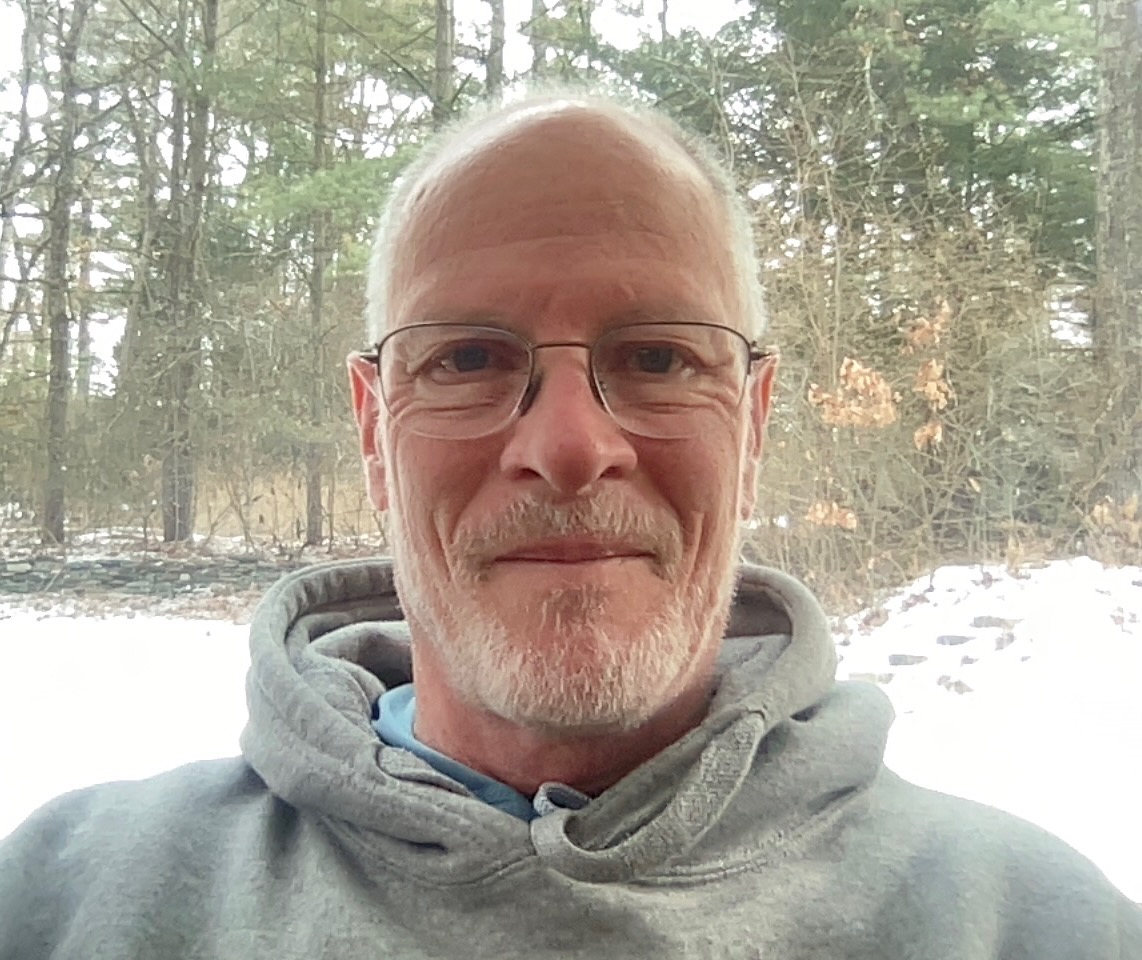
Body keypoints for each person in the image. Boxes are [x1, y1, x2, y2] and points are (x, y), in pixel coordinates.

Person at [1, 91, 1139, 960]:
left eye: (654, 357)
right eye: (467, 358)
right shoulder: (67, 900)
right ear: (370, 426)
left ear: (749, 420)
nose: (567, 444)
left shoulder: (1035, 926)